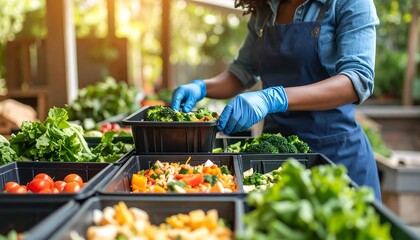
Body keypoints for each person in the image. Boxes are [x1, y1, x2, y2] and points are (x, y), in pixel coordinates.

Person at [171, 0, 381, 200]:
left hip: (336, 157)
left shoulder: (348, 3)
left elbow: (357, 80)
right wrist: (201, 87)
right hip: (274, 158)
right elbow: (242, 72)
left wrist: (274, 97)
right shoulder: (265, 9)